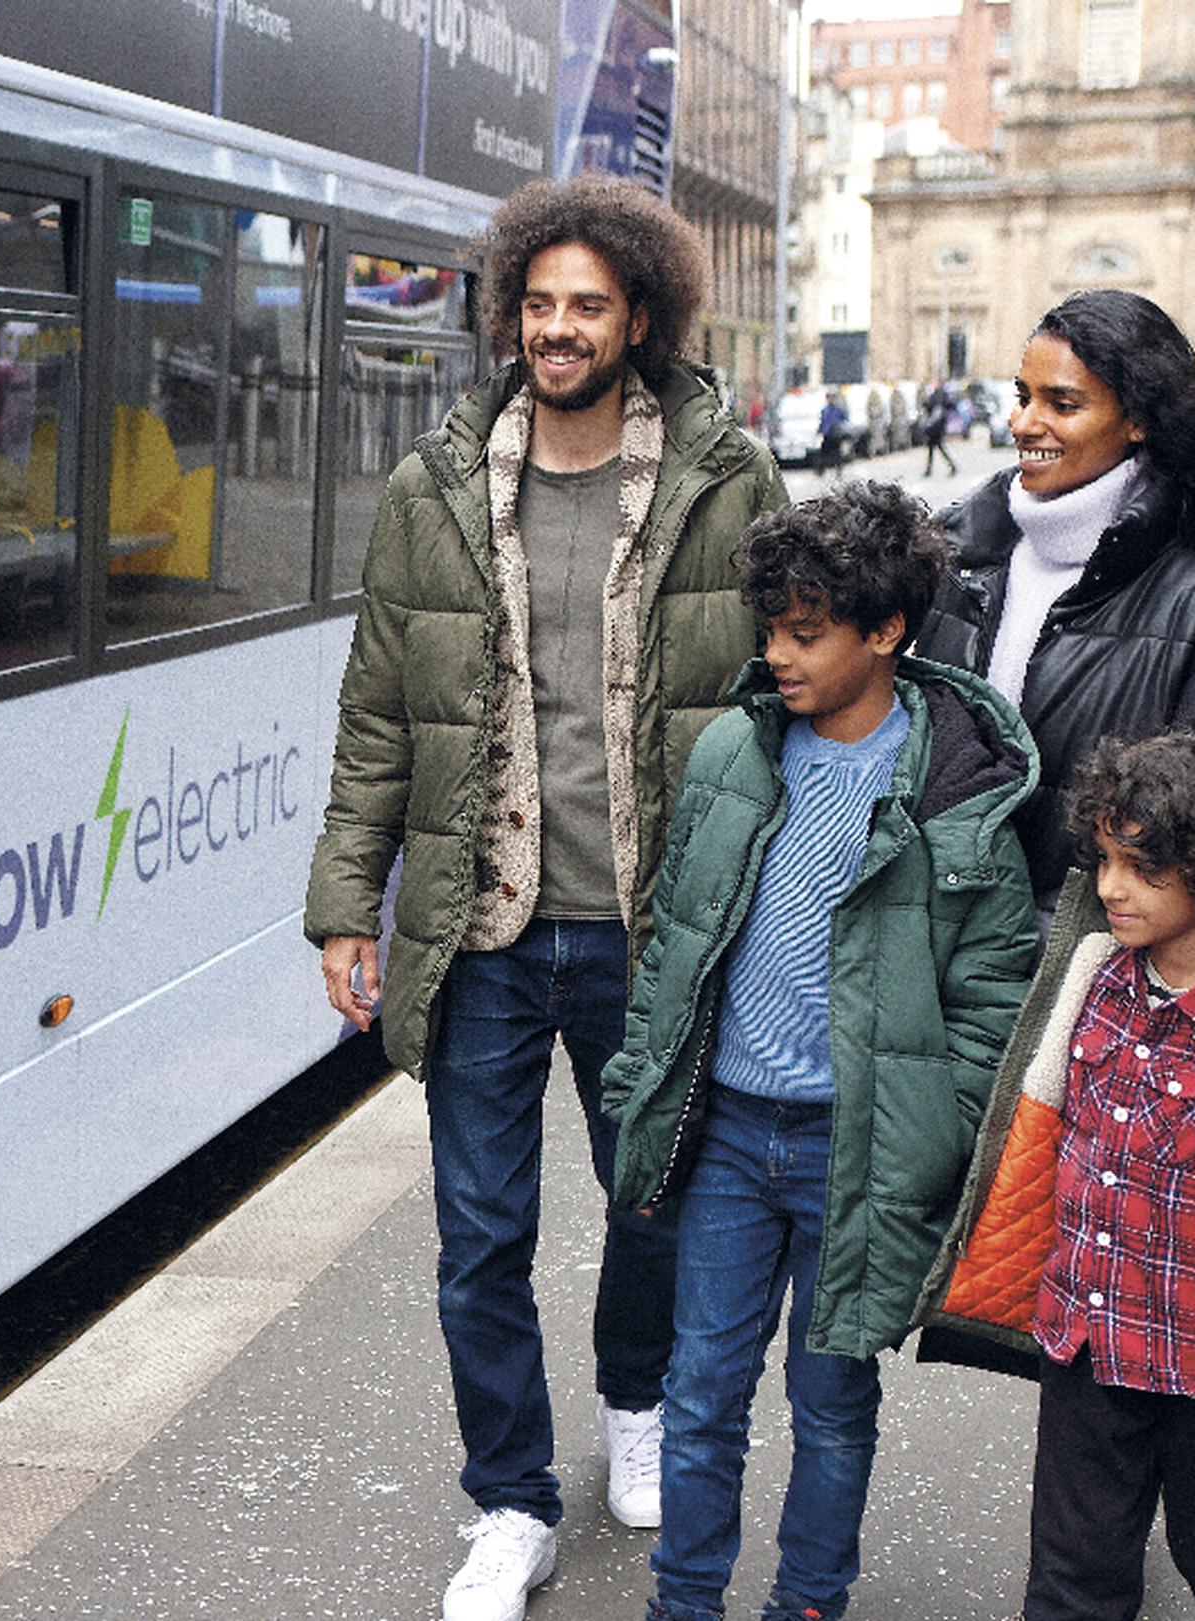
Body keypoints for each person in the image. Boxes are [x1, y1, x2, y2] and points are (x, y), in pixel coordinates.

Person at [304, 172, 784, 1620]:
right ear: (508, 314)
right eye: (537, 304)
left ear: (638, 315)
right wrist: (346, 902)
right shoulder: (433, 489)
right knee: (478, 1236)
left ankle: (631, 1403)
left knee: (649, 1207)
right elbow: (377, 713)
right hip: (485, 926)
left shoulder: (726, 477)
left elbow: (787, 687)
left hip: (649, 926)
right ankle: (507, 1500)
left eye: (586, 304)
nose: (557, 329)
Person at [601, 483, 1037, 1621]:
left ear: (885, 630)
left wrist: (932, 1137)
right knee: (700, 1392)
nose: (778, 657)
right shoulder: (730, 760)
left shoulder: (959, 795)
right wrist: (638, 1077)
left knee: (832, 1399)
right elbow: (672, 943)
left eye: (807, 632)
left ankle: (808, 1602)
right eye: (771, 631)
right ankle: (682, 1604)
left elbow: (990, 998)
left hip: (858, 1149)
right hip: (732, 1139)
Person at [918, 731, 1195, 1621]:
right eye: (1105, 857)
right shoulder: (1087, 976)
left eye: (1143, 866)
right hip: (1088, 1349)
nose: (1110, 887)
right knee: (1070, 1586)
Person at [915, 289, 1195, 926]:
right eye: (1024, 396)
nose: (1026, 424)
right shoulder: (961, 558)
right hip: (939, 957)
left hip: (1087, 975)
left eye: (1063, 403)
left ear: (1138, 419)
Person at [918, 379, 958, 477]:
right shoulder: (940, 394)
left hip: (936, 426)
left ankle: (952, 467)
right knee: (934, 448)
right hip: (937, 426)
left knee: (937, 448)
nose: (933, 384)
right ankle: (930, 470)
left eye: (934, 383)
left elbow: (934, 407)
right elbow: (949, 405)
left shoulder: (939, 394)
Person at [816, 388, 848, 472]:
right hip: (827, 434)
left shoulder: (838, 409)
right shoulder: (825, 410)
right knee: (823, 452)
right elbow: (822, 421)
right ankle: (821, 469)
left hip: (836, 434)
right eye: (829, 397)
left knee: (837, 453)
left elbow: (843, 419)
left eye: (832, 397)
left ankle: (838, 469)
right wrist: (820, 430)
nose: (830, 399)